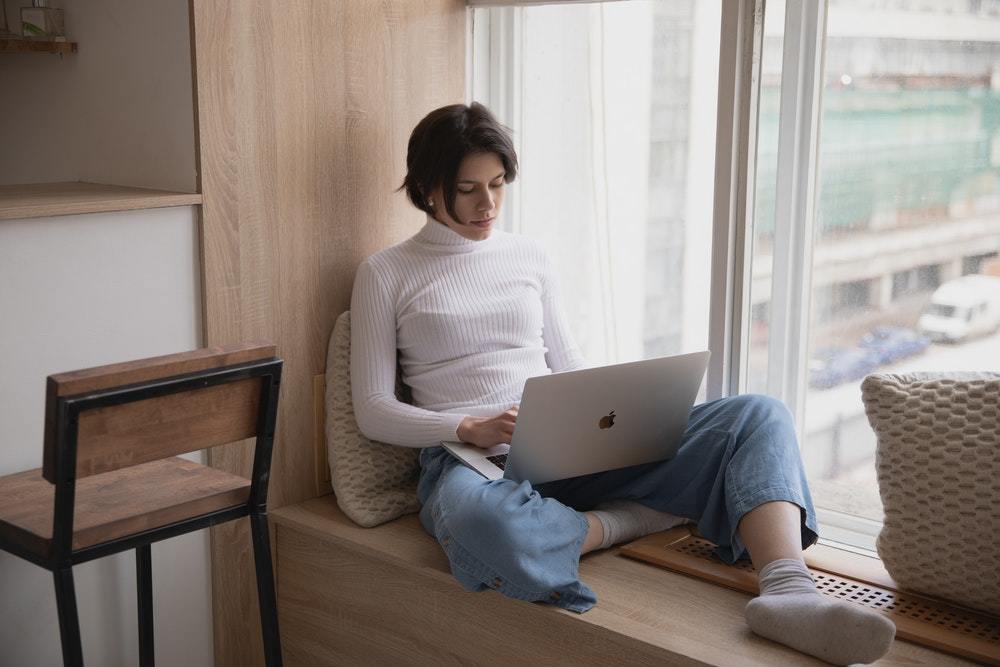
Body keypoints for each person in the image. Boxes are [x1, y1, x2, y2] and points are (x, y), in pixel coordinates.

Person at [350, 102, 896, 665]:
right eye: (467, 188)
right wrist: (469, 424)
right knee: (480, 526)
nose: (487, 204)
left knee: (757, 414)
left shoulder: (529, 256)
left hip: (561, 447)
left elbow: (570, 363)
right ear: (426, 186)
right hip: (469, 465)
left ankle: (789, 592)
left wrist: (605, 416)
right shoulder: (386, 272)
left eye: (497, 184)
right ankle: (628, 519)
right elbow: (372, 409)